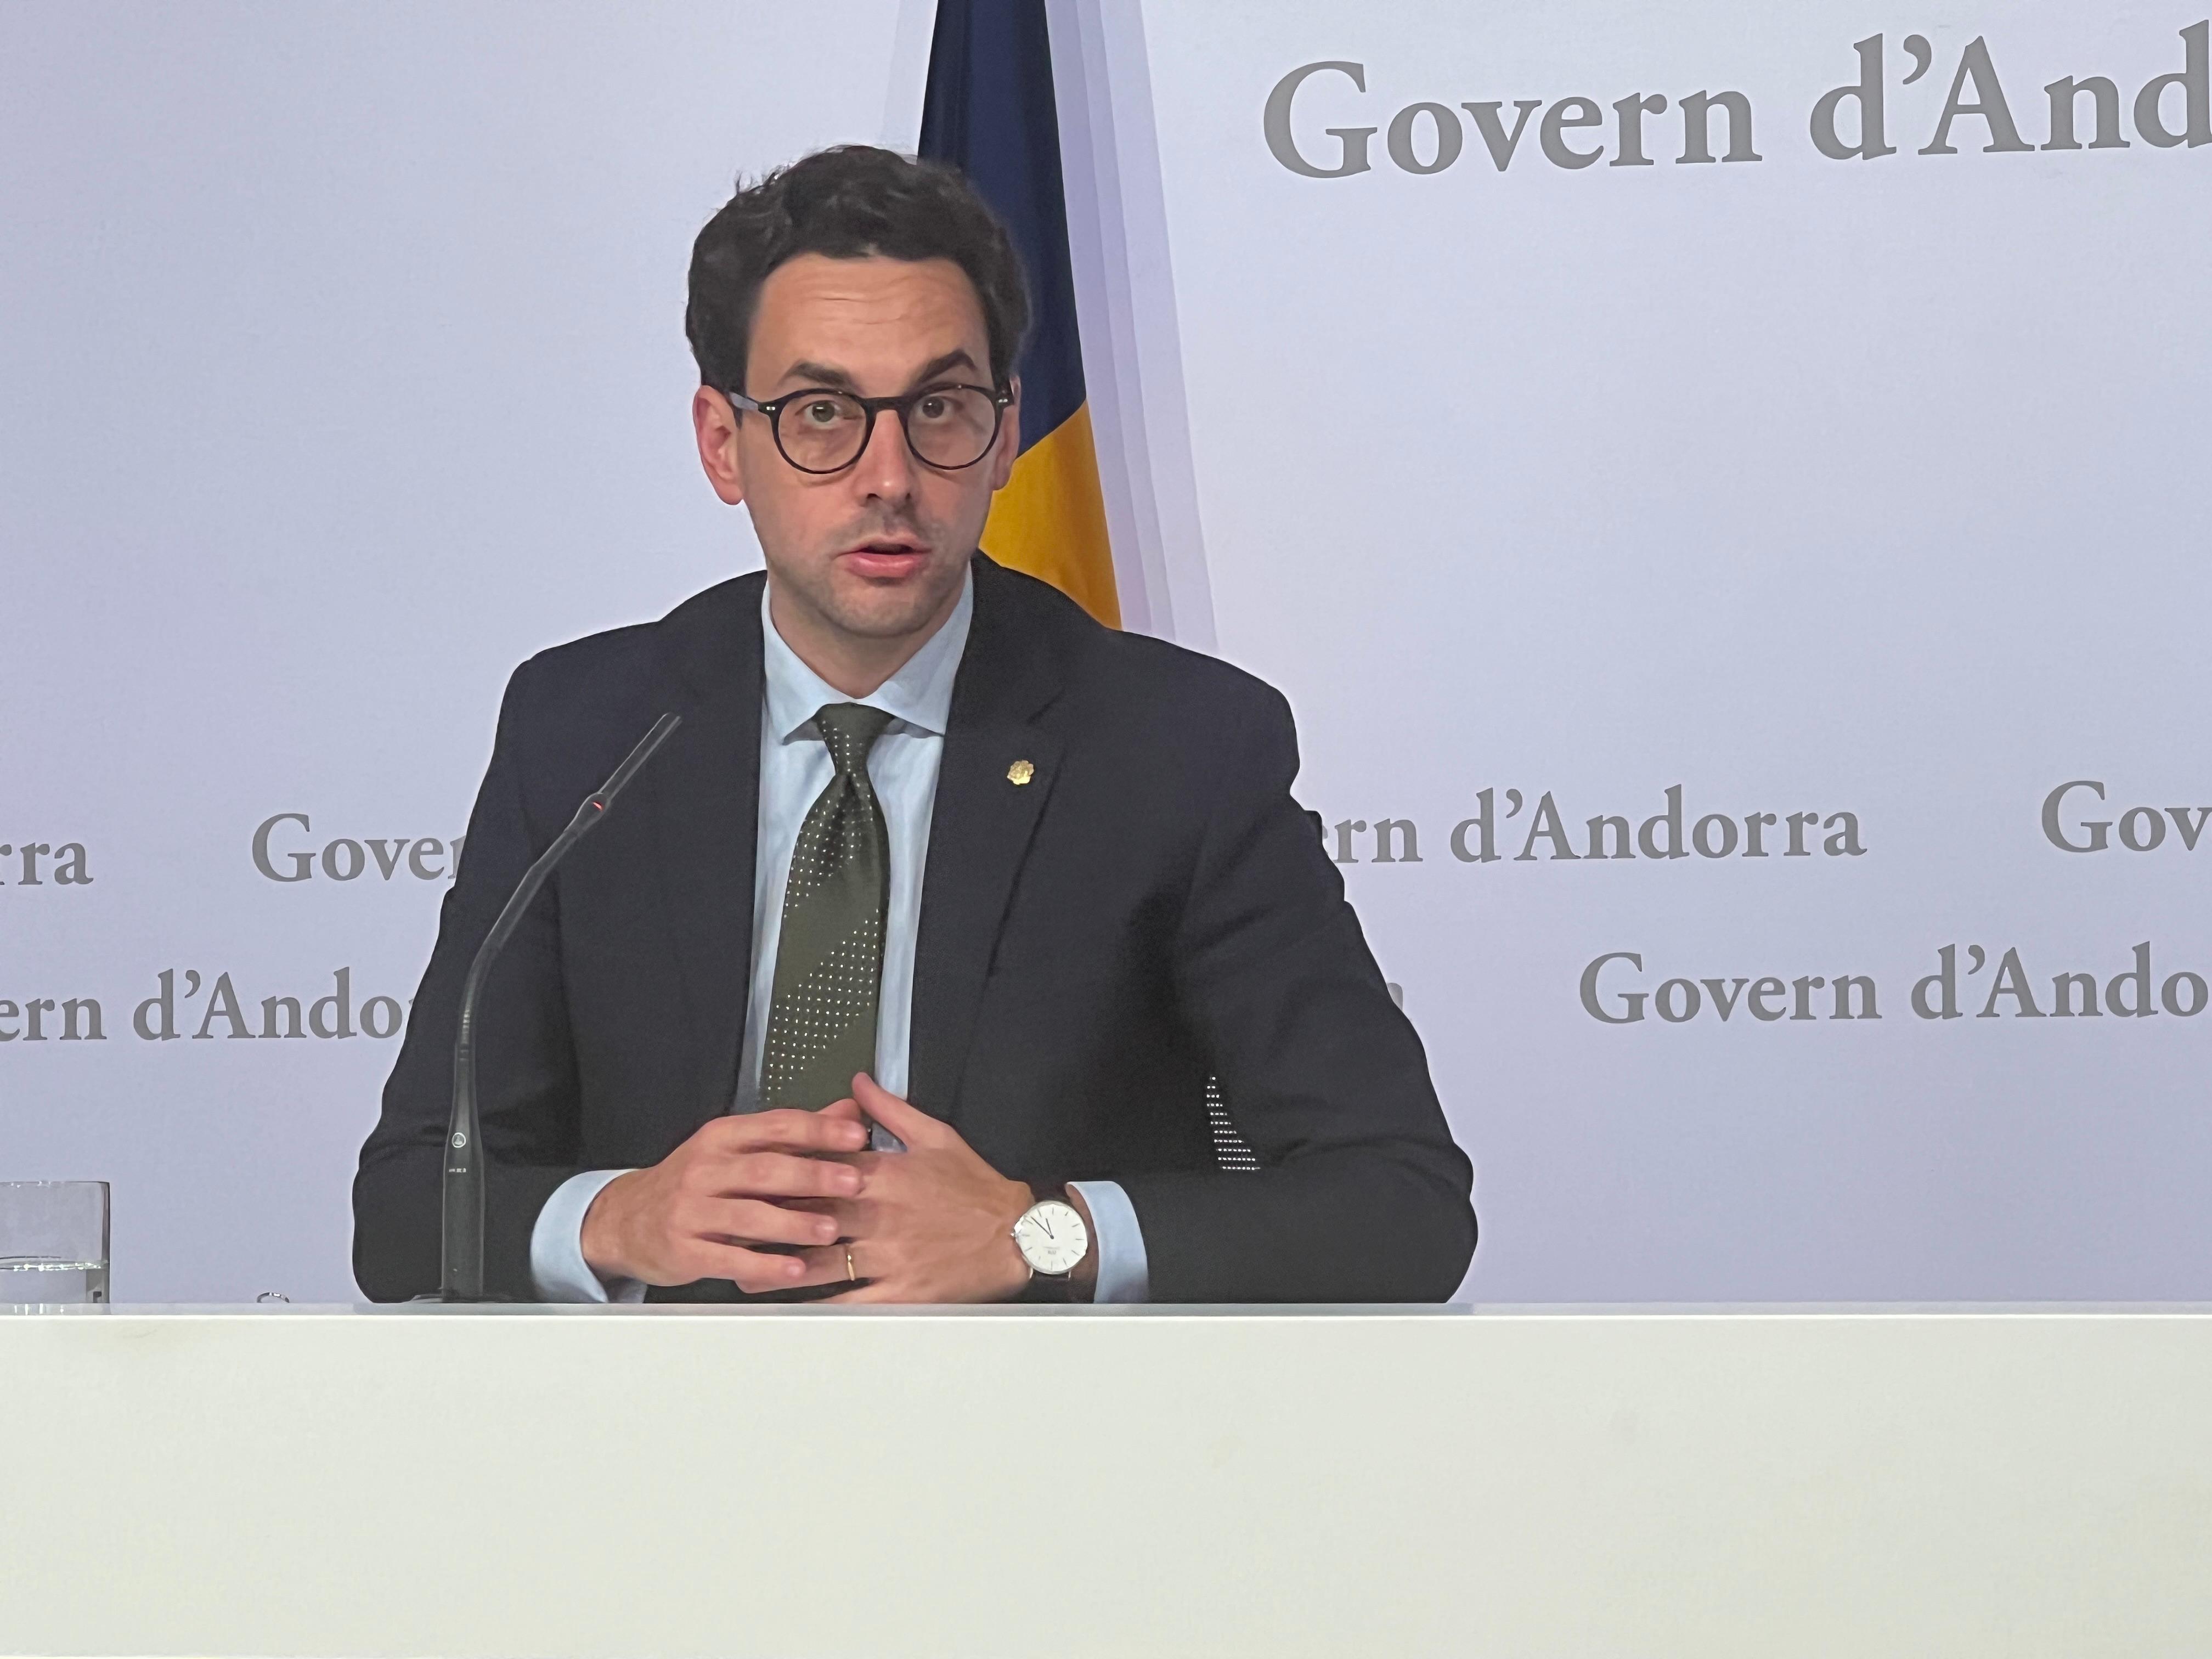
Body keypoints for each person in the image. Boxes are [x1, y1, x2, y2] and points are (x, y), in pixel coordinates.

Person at [352, 144, 1474, 1305]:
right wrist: (617, 1217)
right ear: (722, 443)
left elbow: (1401, 1202)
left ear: (1004, 433)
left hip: (1028, 1403)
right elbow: (402, 1207)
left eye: (938, 409)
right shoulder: (591, 731)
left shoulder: (1176, 749)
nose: (888, 476)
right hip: (663, 1405)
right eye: (821, 414)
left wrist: (1041, 1234)